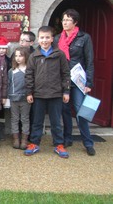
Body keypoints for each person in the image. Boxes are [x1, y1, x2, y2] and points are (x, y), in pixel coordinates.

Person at [24, 26, 71, 158]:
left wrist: (66, 91)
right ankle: (34, 143)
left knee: (56, 121)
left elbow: (66, 74)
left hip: (56, 94)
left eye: (47, 37)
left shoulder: (60, 54)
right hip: (38, 95)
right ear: (38, 39)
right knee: (37, 121)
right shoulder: (34, 56)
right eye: (42, 37)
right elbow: (29, 75)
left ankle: (59, 144)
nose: (44, 40)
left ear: (52, 39)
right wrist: (29, 92)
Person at [54, 9, 96, 156]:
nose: (65, 23)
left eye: (68, 20)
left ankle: (88, 142)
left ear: (75, 22)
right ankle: (67, 138)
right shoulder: (57, 38)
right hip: (62, 79)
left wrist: (89, 83)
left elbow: (90, 61)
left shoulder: (84, 38)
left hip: (78, 80)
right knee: (64, 110)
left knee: (80, 111)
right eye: (63, 20)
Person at [8, 47, 31, 149]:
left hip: (25, 99)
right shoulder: (11, 71)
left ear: (26, 57)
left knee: (25, 119)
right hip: (14, 99)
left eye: (20, 56)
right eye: (16, 56)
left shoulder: (29, 70)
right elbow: (8, 84)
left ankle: (24, 140)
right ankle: (16, 139)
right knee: (14, 119)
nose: (18, 58)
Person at [0, 36, 11, 141]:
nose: (1, 50)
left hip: (5, 90)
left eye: (3, 48)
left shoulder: (9, 61)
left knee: (1, 113)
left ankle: (1, 133)